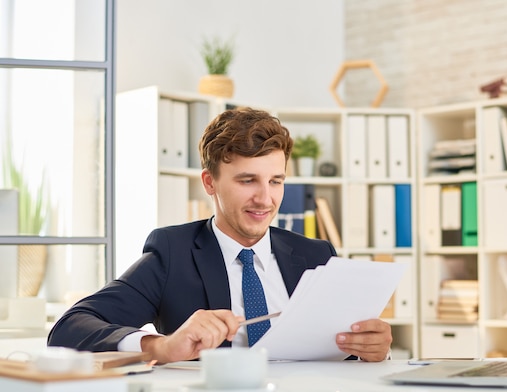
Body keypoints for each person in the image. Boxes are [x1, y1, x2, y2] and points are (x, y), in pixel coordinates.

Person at [47, 107, 392, 364]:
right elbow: (70, 327)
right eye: (247, 181)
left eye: (275, 181)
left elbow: (341, 355)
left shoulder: (317, 255)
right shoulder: (173, 252)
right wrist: (160, 346)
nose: (265, 199)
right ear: (210, 183)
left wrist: (369, 349)